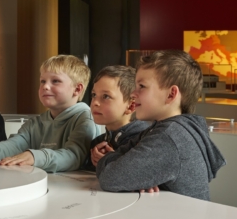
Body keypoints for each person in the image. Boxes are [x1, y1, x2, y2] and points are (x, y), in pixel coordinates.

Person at [95, 50, 226, 201]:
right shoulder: (163, 129)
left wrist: (108, 161)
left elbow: (110, 178)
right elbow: (119, 163)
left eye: (142, 86)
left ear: (171, 94)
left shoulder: (169, 137)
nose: (133, 94)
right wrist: (132, 174)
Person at [0, 55, 100, 173]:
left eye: (55, 81)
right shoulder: (36, 123)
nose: (45, 86)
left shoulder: (85, 118)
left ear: (77, 89)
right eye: (42, 81)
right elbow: (14, 145)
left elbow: (73, 156)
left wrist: (34, 156)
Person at [84, 65, 150, 171]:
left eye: (106, 96)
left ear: (131, 106)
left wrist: (113, 162)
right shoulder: (97, 143)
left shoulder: (145, 142)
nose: (95, 102)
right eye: (94, 95)